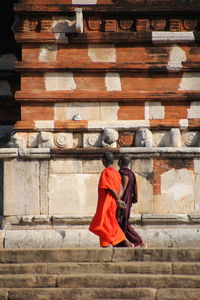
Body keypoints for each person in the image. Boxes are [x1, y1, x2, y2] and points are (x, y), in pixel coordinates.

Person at [89, 151, 134, 248]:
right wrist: (118, 198)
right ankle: (104, 244)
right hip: (112, 202)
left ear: (103, 161)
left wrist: (117, 199)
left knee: (107, 223)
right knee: (105, 224)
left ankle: (127, 243)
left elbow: (110, 188)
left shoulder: (106, 172)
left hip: (107, 203)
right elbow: (121, 187)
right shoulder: (116, 173)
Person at [117, 154, 148, 248]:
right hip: (127, 202)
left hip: (124, 202)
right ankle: (125, 243)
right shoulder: (130, 173)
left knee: (123, 223)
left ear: (120, 162)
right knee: (122, 223)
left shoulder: (124, 173)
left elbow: (123, 188)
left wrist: (117, 200)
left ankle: (140, 242)